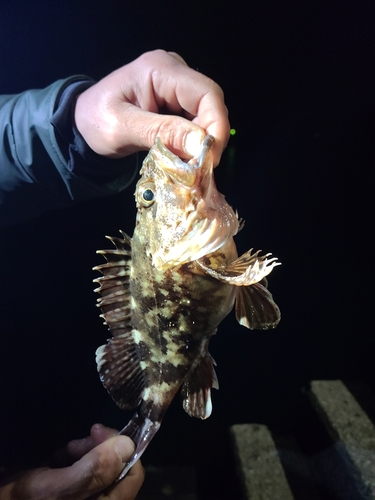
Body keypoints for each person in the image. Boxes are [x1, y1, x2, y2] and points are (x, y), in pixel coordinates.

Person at [0, 50, 230, 499]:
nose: (154, 192)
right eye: (148, 195)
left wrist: (77, 121)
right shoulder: (182, 248)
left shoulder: (186, 235)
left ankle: (148, 421)